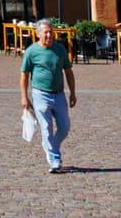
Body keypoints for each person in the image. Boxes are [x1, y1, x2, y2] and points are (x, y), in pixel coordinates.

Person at [18, 18, 77, 175]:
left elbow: (68, 71)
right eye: (46, 32)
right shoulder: (32, 51)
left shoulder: (59, 50)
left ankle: (51, 146)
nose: (50, 35)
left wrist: (72, 92)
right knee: (46, 128)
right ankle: (54, 159)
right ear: (38, 34)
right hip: (40, 94)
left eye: (51, 32)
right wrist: (24, 97)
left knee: (64, 127)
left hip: (58, 94)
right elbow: (24, 75)